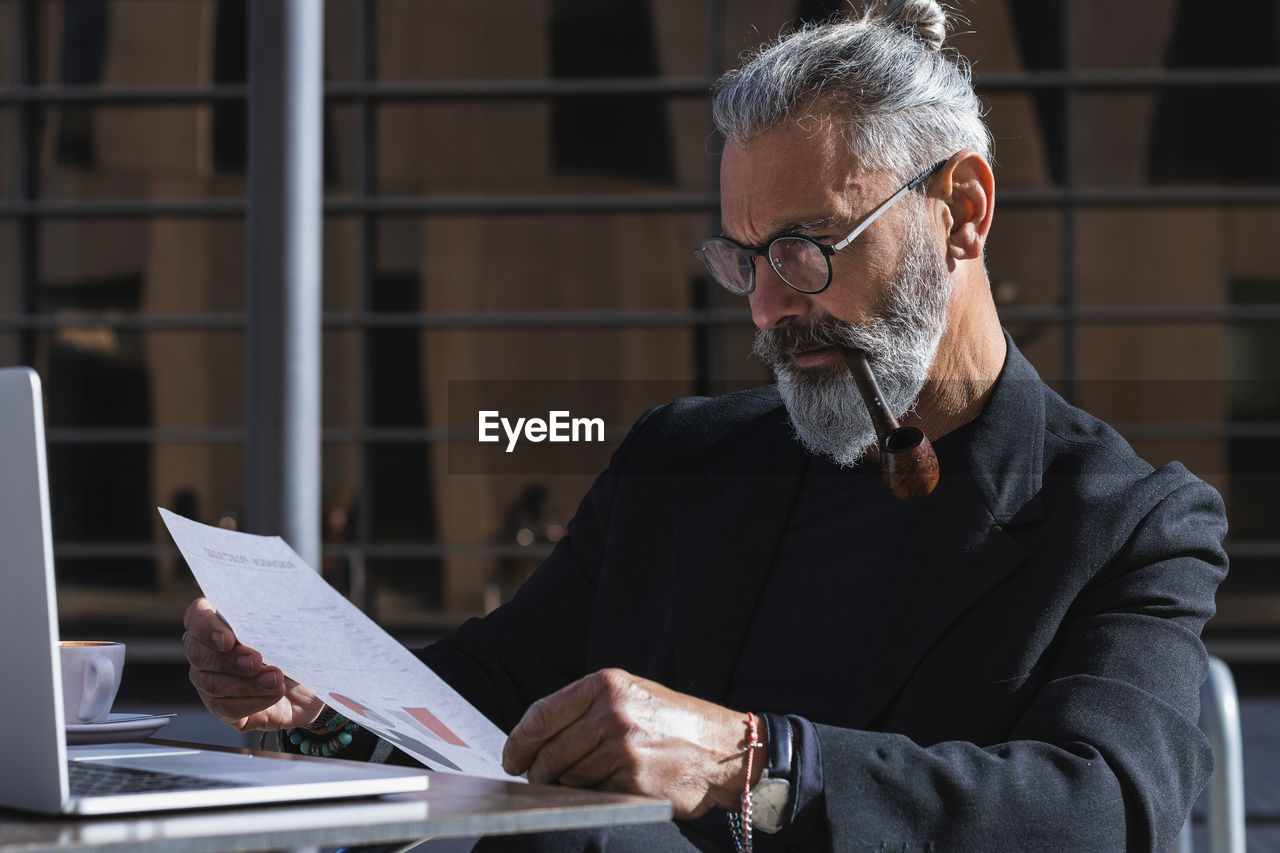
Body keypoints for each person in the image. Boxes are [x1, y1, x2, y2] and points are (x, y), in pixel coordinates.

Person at [182, 2, 1228, 850]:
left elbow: (1101, 808)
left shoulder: (1125, 522)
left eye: (808, 247)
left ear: (960, 210)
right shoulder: (681, 460)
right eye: (744, 256)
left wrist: (751, 764)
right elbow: (488, 697)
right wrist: (320, 707)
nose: (768, 308)